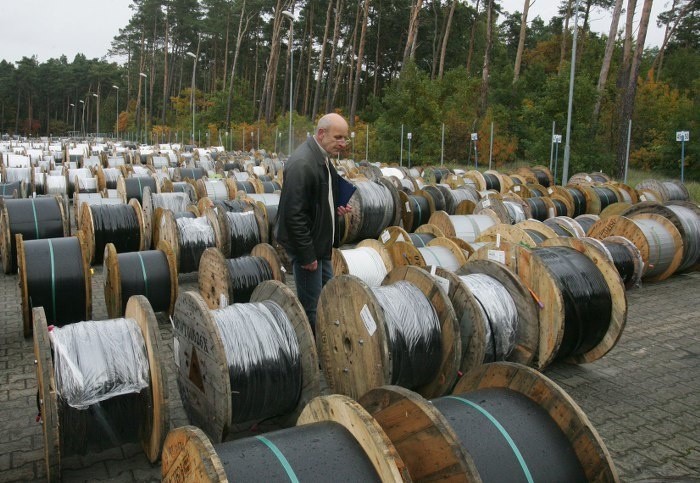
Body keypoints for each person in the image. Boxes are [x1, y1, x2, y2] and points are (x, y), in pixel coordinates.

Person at [275, 113, 353, 332]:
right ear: (321, 133)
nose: (343, 143)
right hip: (309, 250)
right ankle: (317, 354)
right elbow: (294, 215)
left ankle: (328, 341)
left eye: (345, 138)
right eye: (338, 137)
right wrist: (307, 256)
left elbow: (319, 198)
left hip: (321, 246)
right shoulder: (303, 163)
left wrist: (334, 207)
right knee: (312, 308)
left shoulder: (322, 157)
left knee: (328, 297)